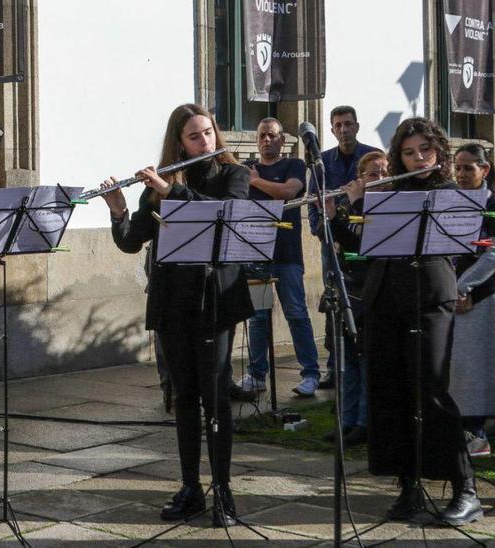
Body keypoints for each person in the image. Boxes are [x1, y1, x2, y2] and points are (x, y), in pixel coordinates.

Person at [100, 104, 252, 527]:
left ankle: (223, 490)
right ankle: (191, 487)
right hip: (172, 300)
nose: (205, 142)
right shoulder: (163, 184)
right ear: (178, 143)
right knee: (183, 397)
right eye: (194, 137)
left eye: (208, 133)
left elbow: (226, 214)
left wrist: (173, 195)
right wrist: (117, 210)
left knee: (217, 399)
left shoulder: (233, 175)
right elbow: (132, 241)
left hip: (215, 297)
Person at [341, 117, 481, 526]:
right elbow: (358, 244)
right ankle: (408, 488)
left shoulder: (448, 192)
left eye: (425, 150)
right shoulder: (388, 191)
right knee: (391, 393)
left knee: (431, 391)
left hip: (430, 297)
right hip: (385, 299)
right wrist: (350, 204)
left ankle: (465, 489)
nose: (419, 157)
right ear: (399, 157)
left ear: (438, 151)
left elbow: (461, 241)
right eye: (408, 152)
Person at [235, 118, 320, 397]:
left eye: (272, 135)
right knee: (258, 318)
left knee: (296, 312)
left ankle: (310, 373)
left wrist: (257, 181)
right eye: (262, 136)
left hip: (287, 254)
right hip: (256, 253)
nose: (266, 141)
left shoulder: (293, 165)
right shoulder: (245, 169)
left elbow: (288, 192)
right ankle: (257, 375)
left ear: (282, 140)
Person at [449, 143, 495, 459]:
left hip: (488, 293)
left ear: (484, 170)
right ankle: (460, 426)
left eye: (468, 168)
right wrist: (450, 288)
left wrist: (463, 287)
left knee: (482, 365)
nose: (460, 174)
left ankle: (479, 431)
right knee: (458, 367)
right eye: (457, 167)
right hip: (452, 293)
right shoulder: (447, 202)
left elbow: (494, 253)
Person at [321, 151, 389, 447]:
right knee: (347, 362)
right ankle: (347, 422)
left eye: (385, 173)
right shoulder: (351, 206)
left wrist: (361, 200)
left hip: (376, 292)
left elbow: (370, 245)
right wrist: (333, 215)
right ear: (360, 178)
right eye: (374, 174)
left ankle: (364, 423)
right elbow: (345, 244)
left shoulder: (391, 208)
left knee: (366, 362)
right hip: (350, 290)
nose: (382, 179)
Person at [313, 106, 381, 389]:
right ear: (331, 129)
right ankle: (335, 367)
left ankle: (361, 364)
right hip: (334, 239)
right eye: (338, 125)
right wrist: (326, 233)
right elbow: (315, 202)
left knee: (363, 304)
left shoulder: (373, 158)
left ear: (357, 126)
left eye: (348, 124)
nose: (343, 129)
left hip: (368, 240)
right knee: (335, 303)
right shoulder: (322, 161)